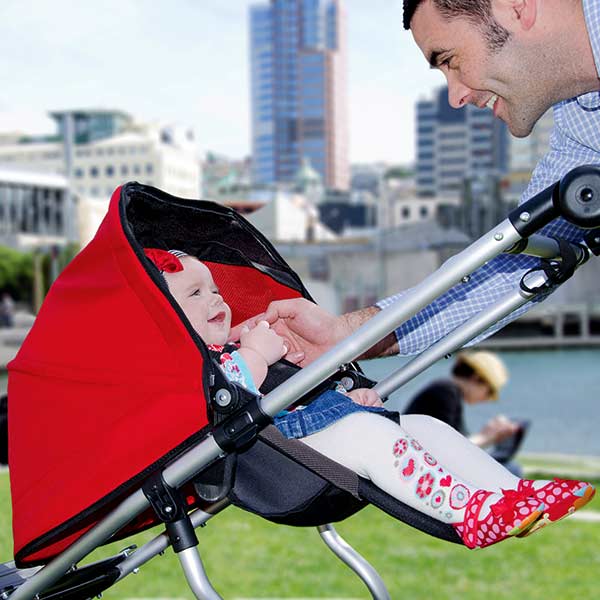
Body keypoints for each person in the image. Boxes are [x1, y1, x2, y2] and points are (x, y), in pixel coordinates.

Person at [145, 248, 595, 550]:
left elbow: (289, 392)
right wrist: (258, 352)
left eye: (216, 290)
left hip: (314, 435)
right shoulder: (188, 368)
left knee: (423, 426)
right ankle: (468, 510)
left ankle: (508, 495)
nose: (217, 299)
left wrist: (340, 394)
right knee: (368, 435)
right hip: (288, 466)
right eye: (196, 294)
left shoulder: (232, 348)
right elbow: (237, 386)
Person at [232, 0, 600, 361]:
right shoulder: (583, 139)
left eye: (450, 60)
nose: (455, 96)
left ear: (516, 6)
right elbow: (504, 272)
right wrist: (345, 335)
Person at [404, 351, 525, 475]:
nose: (487, 399)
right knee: (511, 470)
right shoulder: (446, 392)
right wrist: (487, 436)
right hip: (424, 469)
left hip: (422, 465)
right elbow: (450, 453)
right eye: (490, 392)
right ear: (476, 378)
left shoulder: (448, 392)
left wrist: (489, 434)